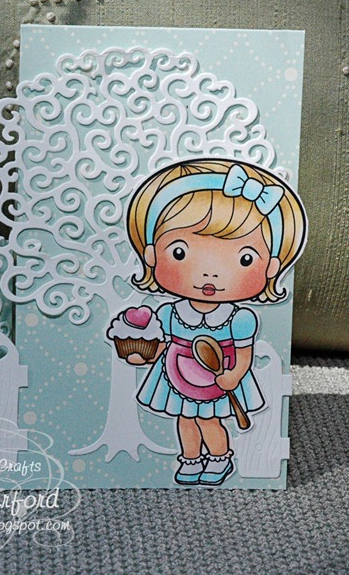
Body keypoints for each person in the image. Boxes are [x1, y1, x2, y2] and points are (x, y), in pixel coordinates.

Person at [123, 159, 307, 485]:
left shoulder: (239, 319)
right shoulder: (169, 313)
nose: (209, 274)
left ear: (271, 267)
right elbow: (163, 344)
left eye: (244, 258)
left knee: (210, 422)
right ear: (151, 254)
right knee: (185, 419)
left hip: (219, 376)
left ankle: (219, 459)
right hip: (177, 373)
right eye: (180, 252)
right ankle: (191, 460)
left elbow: (244, 354)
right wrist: (143, 355)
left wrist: (234, 375)